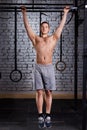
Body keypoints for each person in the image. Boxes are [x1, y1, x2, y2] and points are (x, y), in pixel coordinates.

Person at [21, 6, 70, 128]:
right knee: (39, 91)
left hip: (48, 67)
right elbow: (27, 28)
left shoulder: (53, 38)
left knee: (48, 91)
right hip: (38, 67)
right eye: (42, 27)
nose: (44, 28)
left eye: (46, 27)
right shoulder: (36, 39)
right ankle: (40, 115)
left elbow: (61, 27)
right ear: (40, 28)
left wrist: (65, 13)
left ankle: (47, 115)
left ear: (48, 29)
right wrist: (24, 13)